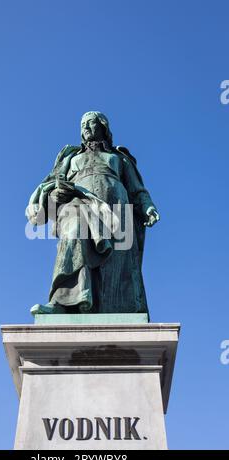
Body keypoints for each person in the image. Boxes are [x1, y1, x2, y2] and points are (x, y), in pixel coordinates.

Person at [26, 111, 159, 316]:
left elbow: (137, 189)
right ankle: (63, 302)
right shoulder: (71, 157)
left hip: (117, 209)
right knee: (74, 233)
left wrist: (147, 207)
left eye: (91, 123)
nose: (86, 128)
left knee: (116, 265)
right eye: (83, 125)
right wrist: (56, 194)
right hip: (77, 204)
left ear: (103, 127)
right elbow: (52, 186)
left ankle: (118, 311)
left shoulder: (119, 158)